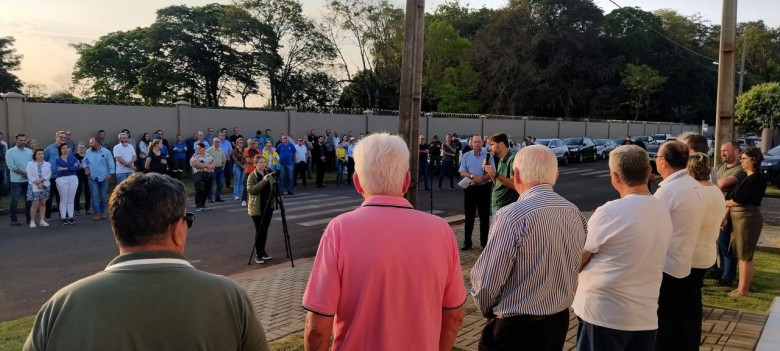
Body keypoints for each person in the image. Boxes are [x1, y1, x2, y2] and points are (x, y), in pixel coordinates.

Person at [23, 173, 270, 351]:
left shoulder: (61, 306)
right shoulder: (229, 297)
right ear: (177, 230)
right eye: (188, 220)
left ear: (116, 229)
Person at [302, 133, 466, 350]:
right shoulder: (441, 230)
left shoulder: (340, 229)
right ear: (407, 181)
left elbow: (317, 327)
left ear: (357, 182)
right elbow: (454, 316)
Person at [470, 145, 587, 350]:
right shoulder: (574, 212)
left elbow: (487, 280)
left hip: (516, 329)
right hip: (558, 323)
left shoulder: (511, 215)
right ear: (556, 175)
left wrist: (487, 310)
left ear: (516, 175)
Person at [573, 145, 672, 351]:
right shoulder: (662, 210)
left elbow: (580, 257)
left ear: (615, 177)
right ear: (648, 171)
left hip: (605, 314)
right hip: (644, 314)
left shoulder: (610, 211)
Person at [653, 140, 705, 350]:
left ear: (664, 162)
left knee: (664, 325)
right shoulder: (695, 185)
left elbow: (651, 228)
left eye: (656, 157)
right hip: (683, 262)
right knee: (681, 321)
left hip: (666, 266)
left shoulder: (668, 191)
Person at [685, 152, 726, 343]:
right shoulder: (716, 191)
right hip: (707, 252)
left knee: (685, 303)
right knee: (694, 299)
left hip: (690, 255)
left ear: (689, 169)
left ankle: (686, 339)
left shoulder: (696, 192)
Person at [726, 148, 766, 297]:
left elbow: (738, 200)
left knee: (746, 255)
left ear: (753, 160)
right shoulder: (746, 177)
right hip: (739, 218)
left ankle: (744, 289)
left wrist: (723, 203)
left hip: (748, 218)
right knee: (740, 254)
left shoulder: (757, 178)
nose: (741, 161)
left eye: (744, 158)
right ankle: (740, 286)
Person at [713, 141, 746, 286]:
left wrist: (715, 184)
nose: (722, 153)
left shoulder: (741, 169)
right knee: (718, 243)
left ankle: (728, 275)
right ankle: (719, 271)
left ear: (736, 151)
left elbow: (721, 184)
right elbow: (712, 182)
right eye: (721, 151)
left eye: (726, 150)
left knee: (726, 244)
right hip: (716, 208)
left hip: (730, 212)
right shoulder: (720, 166)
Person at [458, 134, 494, 250]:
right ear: (471, 143)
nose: (477, 144)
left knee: (484, 217)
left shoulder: (488, 156)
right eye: (475, 142)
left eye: (479, 142)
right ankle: (467, 243)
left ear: (482, 143)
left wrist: (481, 179)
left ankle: (484, 243)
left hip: (484, 189)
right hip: (470, 188)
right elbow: (462, 171)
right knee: (469, 216)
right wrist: (473, 176)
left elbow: (492, 172)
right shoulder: (467, 155)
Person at [247, 154, 277, 264]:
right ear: (255, 164)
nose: (263, 164)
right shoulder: (252, 176)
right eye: (260, 162)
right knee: (259, 231)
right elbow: (251, 190)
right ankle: (258, 254)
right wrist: (263, 181)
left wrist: (277, 194)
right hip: (257, 208)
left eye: (264, 162)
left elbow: (273, 188)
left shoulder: (268, 174)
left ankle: (263, 251)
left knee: (264, 230)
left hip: (268, 206)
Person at [482, 133, 518, 212]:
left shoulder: (512, 159)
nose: (489, 148)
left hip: (506, 207)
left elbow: (515, 184)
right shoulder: (500, 160)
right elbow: (498, 183)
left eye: (492, 145)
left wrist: (496, 174)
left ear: (501, 144)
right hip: (498, 205)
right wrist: (490, 172)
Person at [83, 138, 115, 221]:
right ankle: (97, 213)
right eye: (90, 143)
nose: (90, 145)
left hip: (104, 178)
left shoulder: (106, 152)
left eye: (92, 143)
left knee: (103, 196)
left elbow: (111, 163)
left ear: (97, 143)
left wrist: (110, 174)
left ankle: (102, 212)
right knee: (94, 196)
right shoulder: (88, 151)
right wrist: (86, 168)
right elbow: (85, 161)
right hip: (93, 177)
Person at [6, 133, 33, 226]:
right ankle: (13, 220)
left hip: (28, 180)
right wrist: (23, 173)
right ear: (16, 140)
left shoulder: (29, 152)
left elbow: (32, 164)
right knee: (14, 200)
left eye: (24, 140)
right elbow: (11, 166)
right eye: (20, 140)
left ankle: (29, 219)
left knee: (29, 200)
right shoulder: (10, 152)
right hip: (16, 180)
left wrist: (29, 174)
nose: (22, 142)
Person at [44, 131, 67, 220]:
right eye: (60, 137)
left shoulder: (67, 149)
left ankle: (63, 215)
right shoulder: (49, 149)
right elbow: (44, 161)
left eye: (64, 137)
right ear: (56, 137)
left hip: (63, 177)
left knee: (61, 197)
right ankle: (47, 215)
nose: (62, 139)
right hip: (51, 177)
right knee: (49, 196)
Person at [55, 143, 80, 225]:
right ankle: (63, 217)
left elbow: (77, 167)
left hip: (73, 178)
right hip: (62, 179)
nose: (65, 149)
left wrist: (66, 168)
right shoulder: (58, 160)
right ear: (60, 150)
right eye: (63, 148)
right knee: (63, 199)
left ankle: (70, 216)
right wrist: (71, 168)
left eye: (66, 148)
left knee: (71, 198)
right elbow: (58, 169)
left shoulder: (73, 158)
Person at [27, 148, 51, 228]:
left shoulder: (47, 164)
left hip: (45, 185)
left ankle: (42, 220)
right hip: (34, 185)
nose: (41, 155)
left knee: (43, 203)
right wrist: (36, 182)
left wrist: (41, 180)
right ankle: (32, 221)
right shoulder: (30, 164)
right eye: (39, 154)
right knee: (35, 203)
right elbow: (29, 175)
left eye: (42, 154)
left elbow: (48, 174)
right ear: (35, 155)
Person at [190, 142, 215, 211]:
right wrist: (207, 166)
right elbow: (195, 164)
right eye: (197, 148)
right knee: (200, 189)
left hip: (208, 175)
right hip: (198, 174)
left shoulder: (208, 155)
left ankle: (203, 204)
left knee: (207, 189)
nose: (198, 149)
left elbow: (213, 163)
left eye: (199, 148)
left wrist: (210, 167)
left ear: (204, 149)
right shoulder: (195, 156)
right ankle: (198, 205)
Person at [73, 142, 91, 216]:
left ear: (85, 148)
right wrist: (84, 166)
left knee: (88, 191)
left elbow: (90, 165)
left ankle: (87, 209)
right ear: (78, 148)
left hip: (87, 175)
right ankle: (76, 209)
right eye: (80, 147)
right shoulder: (74, 156)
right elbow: (76, 166)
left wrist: (81, 165)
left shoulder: (88, 155)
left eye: (83, 147)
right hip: (78, 175)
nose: (81, 149)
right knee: (78, 191)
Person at [207, 138, 226, 203]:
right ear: (213, 142)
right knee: (211, 184)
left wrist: (223, 167)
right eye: (216, 142)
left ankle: (218, 197)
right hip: (213, 169)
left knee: (220, 184)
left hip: (220, 169)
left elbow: (224, 159)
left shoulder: (221, 150)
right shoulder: (209, 150)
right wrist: (209, 167)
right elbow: (206, 159)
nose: (217, 143)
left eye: (218, 142)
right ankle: (209, 198)